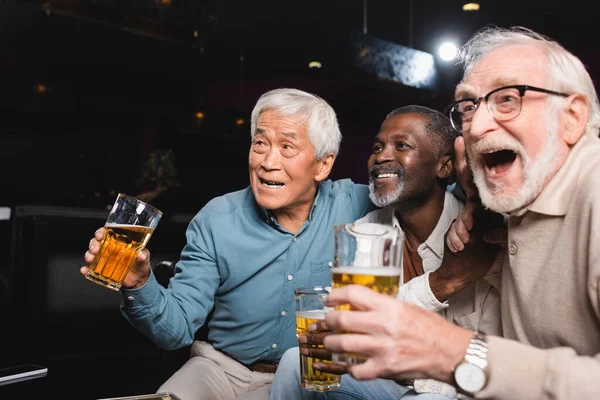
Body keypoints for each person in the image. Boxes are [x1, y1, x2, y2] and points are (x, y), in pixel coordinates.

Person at [321, 26, 600, 400]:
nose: (478, 127)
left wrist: (457, 351)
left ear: (572, 116)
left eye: (507, 99)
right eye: (468, 106)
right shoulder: (506, 208)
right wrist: (477, 200)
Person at [82, 88, 376, 400]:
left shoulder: (358, 206)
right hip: (220, 370)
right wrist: (140, 284)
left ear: (323, 165)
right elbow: (177, 328)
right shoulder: (217, 219)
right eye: (260, 143)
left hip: (308, 381)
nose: (267, 162)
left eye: (287, 147)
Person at [269, 106, 503, 400]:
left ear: (444, 167)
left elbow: (488, 360)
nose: (381, 156)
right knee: (295, 361)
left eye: (401, 145)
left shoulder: (477, 234)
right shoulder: (365, 231)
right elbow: (358, 329)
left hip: (460, 388)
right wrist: (441, 283)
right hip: (391, 380)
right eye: (377, 147)